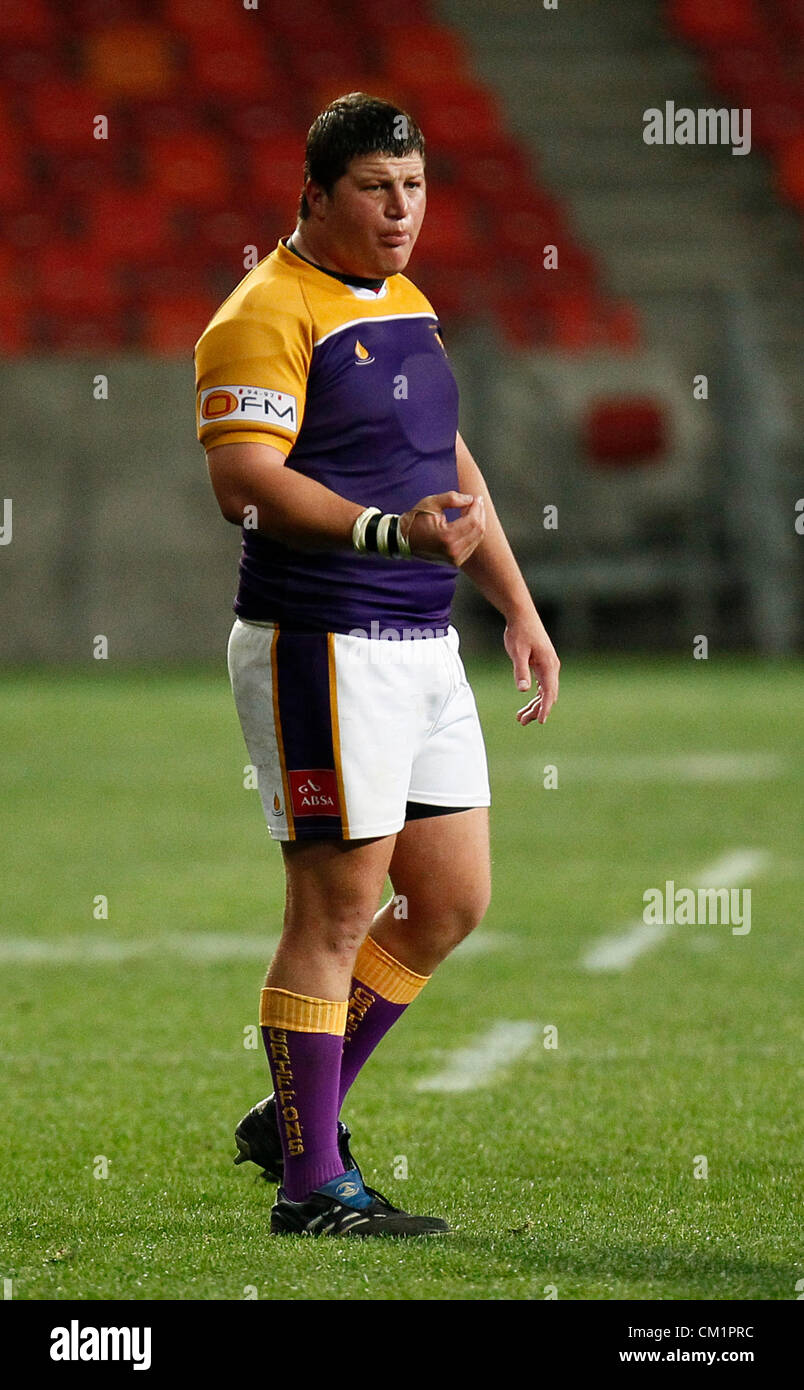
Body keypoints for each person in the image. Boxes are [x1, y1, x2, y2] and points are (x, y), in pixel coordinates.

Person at [194, 92, 559, 1237]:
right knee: (338, 906)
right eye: (375, 189)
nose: (402, 211)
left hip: (420, 641)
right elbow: (242, 481)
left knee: (448, 898)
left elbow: (446, 465)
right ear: (315, 194)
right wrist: (382, 533)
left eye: (413, 188)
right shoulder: (262, 312)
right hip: (323, 642)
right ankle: (313, 1187)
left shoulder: (405, 302)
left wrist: (515, 603)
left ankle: (293, 1114)